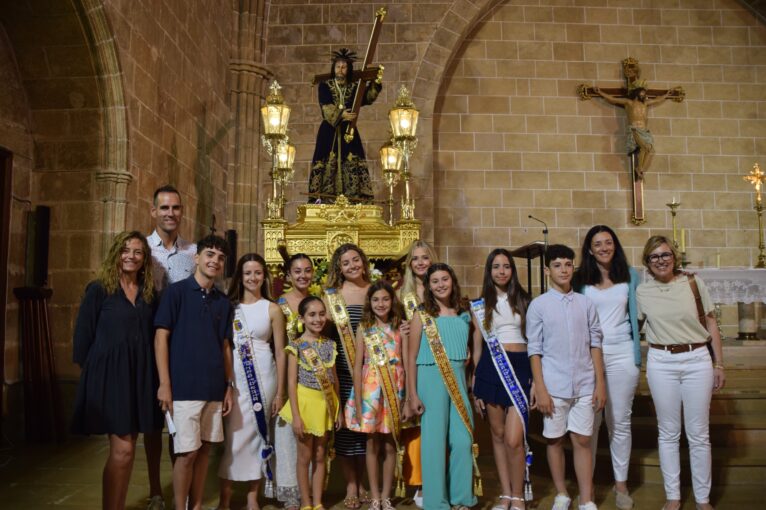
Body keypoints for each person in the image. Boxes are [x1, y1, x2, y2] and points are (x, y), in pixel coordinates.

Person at [72, 231, 163, 510]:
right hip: (110, 379)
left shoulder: (149, 293)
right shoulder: (99, 289)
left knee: (126, 450)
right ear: (116, 253)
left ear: (144, 258)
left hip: (139, 379)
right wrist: (96, 378)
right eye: (126, 250)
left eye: (137, 252)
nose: (131, 256)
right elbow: (82, 340)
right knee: (123, 450)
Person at [637, 236, 726, 510]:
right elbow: (633, 326)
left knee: (699, 434)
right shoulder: (642, 292)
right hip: (661, 361)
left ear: (674, 257)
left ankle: (703, 499)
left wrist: (719, 364)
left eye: (665, 255)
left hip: (696, 358)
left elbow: (711, 323)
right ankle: (673, 497)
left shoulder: (692, 282)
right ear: (647, 263)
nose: (661, 260)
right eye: (654, 257)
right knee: (668, 433)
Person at [154, 235, 234, 510]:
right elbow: (161, 337)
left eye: (220, 258)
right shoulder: (175, 294)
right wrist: (164, 383)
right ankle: (180, 506)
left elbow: (225, 347)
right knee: (186, 453)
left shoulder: (223, 303)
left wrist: (228, 387)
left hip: (213, 386)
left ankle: (196, 505)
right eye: (210, 254)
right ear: (196, 258)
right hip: (184, 386)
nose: (215, 261)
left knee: (205, 452)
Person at [526, 244, 605, 510]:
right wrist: (541, 387)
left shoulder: (586, 303)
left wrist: (600, 384)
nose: (563, 270)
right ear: (547, 270)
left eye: (568, 264)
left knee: (582, 440)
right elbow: (534, 350)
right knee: (555, 439)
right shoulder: (539, 305)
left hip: (584, 383)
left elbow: (595, 344)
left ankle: (587, 497)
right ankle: (562, 493)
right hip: (554, 385)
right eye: (557, 265)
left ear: (574, 267)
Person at [573, 226, 641, 510]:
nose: (604, 247)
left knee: (620, 421)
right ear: (589, 249)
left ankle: (621, 483)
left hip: (623, 352)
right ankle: (586, 487)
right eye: (597, 243)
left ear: (615, 245)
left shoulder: (631, 275)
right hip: (590, 356)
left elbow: (638, 313)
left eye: (608, 242)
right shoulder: (579, 280)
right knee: (591, 421)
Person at [215, 254, 286, 510]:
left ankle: (252, 497)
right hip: (236, 374)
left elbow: (280, 352)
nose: (253, 278)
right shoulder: (229, 307)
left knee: (259, 433)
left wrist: (280, 392)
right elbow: (224, 345)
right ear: (240, 277)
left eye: (257, 273)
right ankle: (225, 496)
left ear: (264, 275)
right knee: (233, 436)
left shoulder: (273, 308)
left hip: (265, 375)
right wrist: (225, 382)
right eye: (247, 273)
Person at [407, 263, 478, 510]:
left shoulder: (464, 313)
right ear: (428, 286)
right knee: (434, 442)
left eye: (444, 279)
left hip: (457, 378)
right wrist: (412, 394)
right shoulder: (421, 315)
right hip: (429, 377)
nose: (440, 285)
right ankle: (436, 502)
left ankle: (461, 497)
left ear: (452, 280)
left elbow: (474, 349)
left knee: (462, 440)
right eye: (434, 281)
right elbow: (411, 355)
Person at [470, 249, 532, 510]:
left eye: (506, 266)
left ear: (512, 270)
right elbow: (477, 346)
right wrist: (475, 381)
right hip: (491, 367)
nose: (502, 271)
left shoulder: (526, 300)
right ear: (489, 270)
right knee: (496, 435)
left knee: (514, 439)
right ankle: (506, 494)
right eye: (496, 267)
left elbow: (534, 338)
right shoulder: (480, 304)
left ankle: (519, 495)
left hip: (519, 366)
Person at [346, 281, 407, 510]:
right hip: (370, 389)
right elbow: (357, 363)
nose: (381, 304)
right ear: (369, 303)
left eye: (385, 299)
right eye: (376, 300)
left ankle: (386, 496)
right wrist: (359, 398)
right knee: (371, 443)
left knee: (391, 444)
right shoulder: (364, 326)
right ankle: (374, 496)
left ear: (392, 301)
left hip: (394, 387)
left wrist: (406, 396)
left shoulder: (401, 326)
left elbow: (405, 360)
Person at [279, 296, 341, 510]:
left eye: (321, 314)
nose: (318, 319)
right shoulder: (296, 345)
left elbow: (335, 380)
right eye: (312, 315)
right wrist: (296, 415)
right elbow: (290, 383)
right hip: (304, 404)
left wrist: (338, 409)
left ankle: (318, 502)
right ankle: (305, 502)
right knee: (304, 457)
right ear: (302, 318)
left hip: (325, 405)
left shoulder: (330, 345)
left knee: (320, 455)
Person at [324, 243, 372, 509]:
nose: (352, 265)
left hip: (371, 372)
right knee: (345, 431)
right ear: (339, 269)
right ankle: (351, 486)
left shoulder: (375, 291)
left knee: (365, 429)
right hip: (341, 370)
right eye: (346, 263)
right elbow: (324, 332)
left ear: (363, 262)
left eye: (355, 260)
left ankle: (363, 482)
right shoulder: (333, 296)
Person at [307, 48, 382, 204]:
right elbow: (325, 106)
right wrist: (341, 115)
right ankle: (324, 199)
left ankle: (354, 199)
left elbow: (366, 98)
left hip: (349, 132)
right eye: (337, 67)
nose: (340, 70)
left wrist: (376, 82)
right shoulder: (325, 85)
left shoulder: (355, 87)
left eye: (343, 67)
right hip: (329, 131)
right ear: (333, 68)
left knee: (352, 161)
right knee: (326, 162)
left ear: (348, 69)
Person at [397, 240, 438, 508]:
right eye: (416, 259)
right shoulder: (402, 294)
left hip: (439, 359)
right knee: (417, 423)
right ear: (409, 264)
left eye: (425, 257)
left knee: (438, 422)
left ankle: (439, 478)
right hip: (413, 360)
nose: (421, 262)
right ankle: (420, 481)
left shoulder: (443, 285)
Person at [274, 253, 315, 510]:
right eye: (297, 271)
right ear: (288, 275)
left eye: (307, 270)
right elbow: (276, 345)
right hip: (287, 372)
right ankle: (290, 491)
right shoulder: (279, 305)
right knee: (286, 433)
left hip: (312, 376)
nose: (303, 276)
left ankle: (308, 490)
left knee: (309, 433)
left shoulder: (318, 301)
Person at [592, 86, 677, 180]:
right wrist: (600, 92)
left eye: (645, 93)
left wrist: (666, 94)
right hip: (635, 129)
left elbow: (657, 100)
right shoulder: (629, 103)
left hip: (644, 130)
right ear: (637, 93)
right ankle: (639, 168)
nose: (644, 95)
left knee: (650, 149)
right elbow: (612, 99)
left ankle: (640, 169)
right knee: (645, 147)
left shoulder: (645, 103)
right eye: (642, 93)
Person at [148, 184, 197, 291]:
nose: (170, 213)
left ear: (182, 211)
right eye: (164, 208)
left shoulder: (194, 251)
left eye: (175, 208)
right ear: (154, 212)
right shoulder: (143, 248)